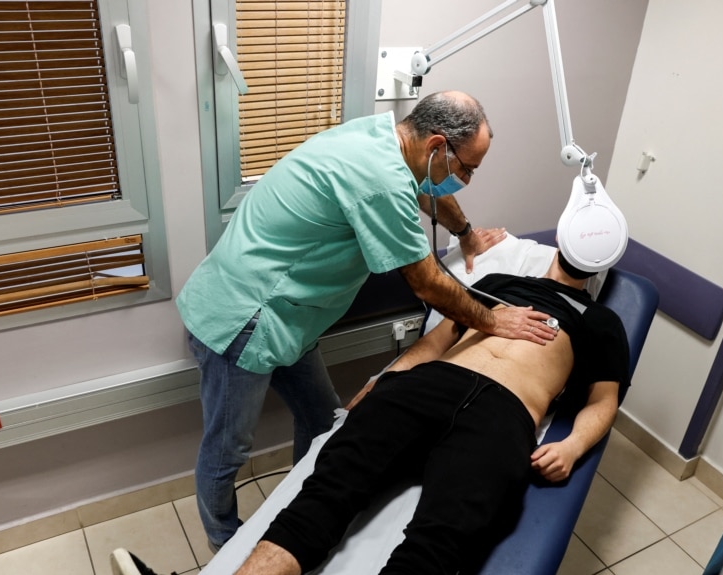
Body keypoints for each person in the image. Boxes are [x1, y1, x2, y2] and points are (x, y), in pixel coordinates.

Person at [176, 91, 559, 553]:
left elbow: (423, 186)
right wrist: (493, 321)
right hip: (244, 319)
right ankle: (224, 543)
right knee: (227, 450)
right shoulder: (379, 179)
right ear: (437, 145)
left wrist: (465, 234)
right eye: (466, 168)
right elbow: (428, 284)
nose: (467, 180)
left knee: (323, 420)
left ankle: (299, 513)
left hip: (291, 319)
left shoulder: (383, 136)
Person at [233, 243, 631, 575]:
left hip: (502, 415)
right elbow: (436, 341)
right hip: (425, 386)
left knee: (438, 546)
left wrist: (572, 446)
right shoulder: (497, 284)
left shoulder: (602, 322)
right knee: (323, 499)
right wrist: (387, 377)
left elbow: (604, 399)